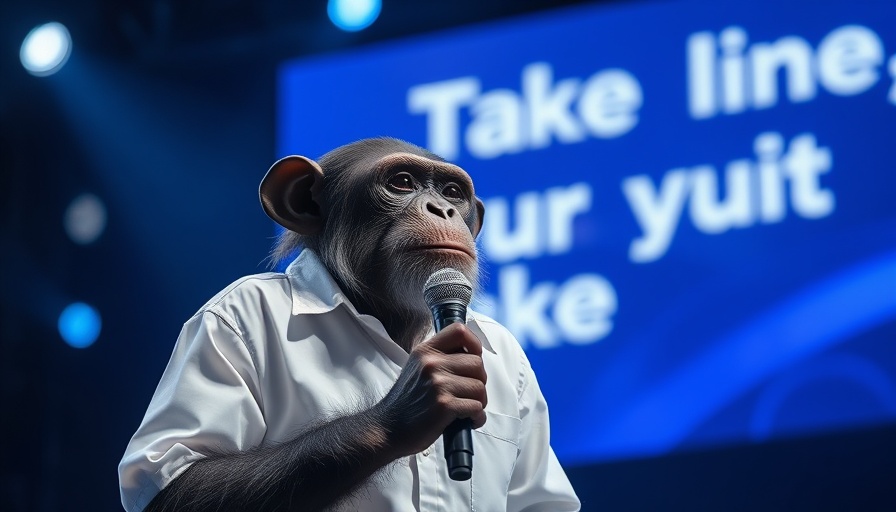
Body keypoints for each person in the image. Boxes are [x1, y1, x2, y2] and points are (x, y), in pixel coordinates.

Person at [118, 138, 580, 511]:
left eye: (453, 194)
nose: (441, 211)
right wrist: (381, 429)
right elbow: (166, 500)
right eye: (402, 182)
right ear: (305, 201)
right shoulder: (252, 315)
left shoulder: (500, 352)